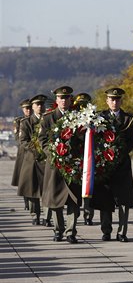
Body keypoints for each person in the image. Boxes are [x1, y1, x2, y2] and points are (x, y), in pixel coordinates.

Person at [92, 87, 133, 242]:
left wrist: (119, 153)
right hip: (104, 165)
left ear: (121, 101)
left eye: (117, 99)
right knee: (105, 200)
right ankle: (106, 231)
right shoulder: (100, 117)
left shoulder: (129, 119)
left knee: (123, 201)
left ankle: (122, 232)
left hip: (122, 165)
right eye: (111, 99)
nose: (114, 102)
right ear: (107, 101)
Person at [39, 86, 82, 243]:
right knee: (56, 200)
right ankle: (58, 230)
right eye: (61, 98)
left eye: (67, 98)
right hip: (55, 165)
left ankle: (71, 231)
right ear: (56, 100)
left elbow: (82, 139)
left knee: (73, 199)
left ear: (71, 100)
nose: (64, 101)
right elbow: (42, 140)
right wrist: (54, 154)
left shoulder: (78, 118)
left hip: (73, 165)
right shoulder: (48, 118)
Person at [17, 94, 47, 225]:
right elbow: (23, 141)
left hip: (47, 159)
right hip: (32, 159)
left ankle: (48, 216)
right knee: (33, 190)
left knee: (48, 189)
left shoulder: (48, 120)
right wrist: (36, 150)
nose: (40, 107)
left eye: (41, 104)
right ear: (33, 107)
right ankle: (35, 215)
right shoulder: (26, 123)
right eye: (37, 105)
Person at [72, 93, 96, 226]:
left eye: (85, 104)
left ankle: (88, 215)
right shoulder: (71, 118)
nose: (82, 107)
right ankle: (75, 213)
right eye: (80, 105)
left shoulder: (93, 118)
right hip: (75, 158)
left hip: (88, 158)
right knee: (75, 189)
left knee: (88, 187)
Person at [12, 98, 32, 211]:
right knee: (23, 179)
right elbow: (18, 138)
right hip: (23, 153)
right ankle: (26, 201)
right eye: (26, 108)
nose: (28, 111)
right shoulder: (19, 121)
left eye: (30, 108)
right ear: (23, 109)